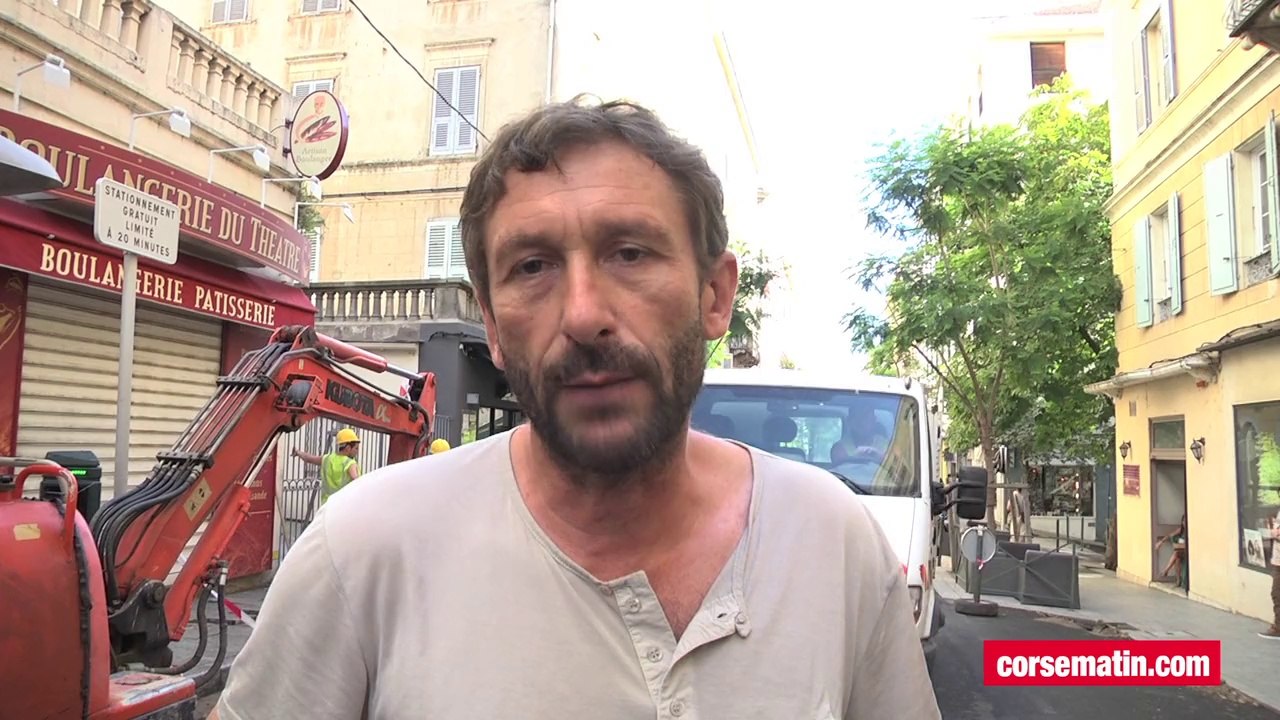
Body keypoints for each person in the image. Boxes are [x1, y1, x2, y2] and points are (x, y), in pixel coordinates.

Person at [213, 97, 940, 719]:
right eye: (532, 267)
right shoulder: (363, 553)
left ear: (715, 295)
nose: (584, 314)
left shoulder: (833, 544)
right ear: (492, 328)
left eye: (630, 253)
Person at [291, 428, 361, 503]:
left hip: (327, 504)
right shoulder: (350, 463)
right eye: (356, 448)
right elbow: (357, 481)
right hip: (343, 505)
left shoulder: (327, 459)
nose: (357, 451)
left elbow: (309, 458)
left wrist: (298, 452)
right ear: (348, 448)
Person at [1261, 508, 1280, 640]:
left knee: (1277, 593)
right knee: (1276, 594)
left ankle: (1278, 628)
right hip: (1277, 560)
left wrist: (1274, 533)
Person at [1155, 513, 1188, 588]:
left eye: (1186, 521)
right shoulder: (1181, 530)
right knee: (1177, 558)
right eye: (1183, 521)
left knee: (1176, 554)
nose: (1184, 523)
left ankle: (1166, 571)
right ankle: (1178, 580)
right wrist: (1161, 542)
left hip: (1188, 552)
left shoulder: (1190, 530)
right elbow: (1170, 535)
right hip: (1181, 550)